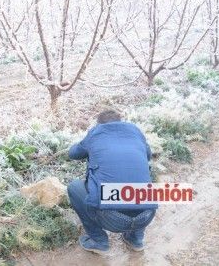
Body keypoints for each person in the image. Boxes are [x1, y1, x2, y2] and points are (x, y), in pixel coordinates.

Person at [67, 109, 157, 254]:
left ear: (99, 124)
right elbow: (148, 155)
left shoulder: (95, 133)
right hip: (146, 215)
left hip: (112, 219)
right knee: (138, 183)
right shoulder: (135, 131)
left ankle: (99, 241)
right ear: (120, 121)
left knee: (74, 187)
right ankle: (136, 239)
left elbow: (73, 154)